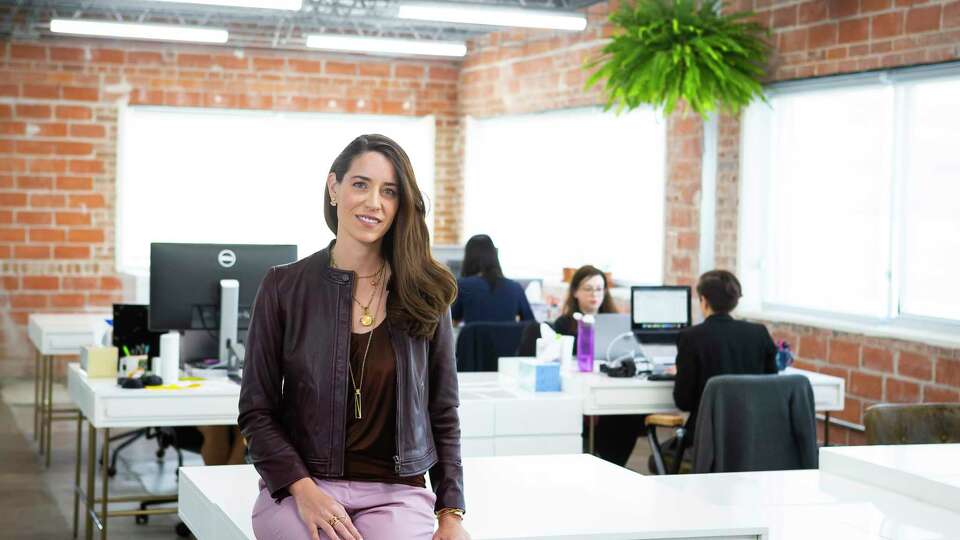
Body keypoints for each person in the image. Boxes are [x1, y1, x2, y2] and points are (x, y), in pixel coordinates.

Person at [239, 134, 469, 540]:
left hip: (397, 494)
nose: (374, 202)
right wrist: (303, 490)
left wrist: (451, 513)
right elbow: (257, 411)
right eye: (360, 184)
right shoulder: (283, 287)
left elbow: (443, 412)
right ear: (334, 188)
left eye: (390, 191)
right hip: (304, 485)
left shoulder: (427, 292)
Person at [517, 265, 642, 466]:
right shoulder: (563, 325)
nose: (595, 294)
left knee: (630, 411)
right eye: (588, 288)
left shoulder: (616, 323)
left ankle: (614, 462)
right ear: (575, 292)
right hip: (578, 389)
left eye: (599, 289)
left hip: (609, 388)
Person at [672, 270, 778, 449]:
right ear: (735, 301)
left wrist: (679, 372)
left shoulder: (691, 337)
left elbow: (684, 402)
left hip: (706, 441)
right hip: (752, 440)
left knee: (656, 460)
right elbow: (771, 385)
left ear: (703, 301)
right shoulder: (759, 333)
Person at [451, 235, 534, 324]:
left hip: (475, 338)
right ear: (494, 256)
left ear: (468, 258)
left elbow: (452, 319)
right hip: (507, 338)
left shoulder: (463, 286)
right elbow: (531, 324)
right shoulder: (515, 287)